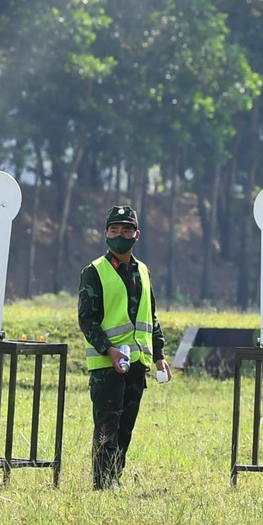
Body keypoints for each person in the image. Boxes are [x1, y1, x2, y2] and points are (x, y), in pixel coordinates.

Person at [78, 204, 171, 491]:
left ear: (136, 234)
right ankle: (103, 484)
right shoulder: (94, 272)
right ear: (105, 234)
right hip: (107, 366)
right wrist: (109, 349)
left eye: (127, 230)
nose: (121, 234)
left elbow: (150, 316)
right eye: (115, 230)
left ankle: (114, 478)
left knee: (126, 427)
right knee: (107, 426)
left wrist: (158, 356)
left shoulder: (143, 271)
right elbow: (87, 319)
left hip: (137, 364)